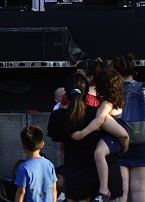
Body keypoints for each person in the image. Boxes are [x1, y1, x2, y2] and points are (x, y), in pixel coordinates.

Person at [47, 74, 124, 202]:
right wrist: (123, 148)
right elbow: (123, 134)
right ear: (86, 92)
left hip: (75, 170)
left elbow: (59, 141)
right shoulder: (97, 113)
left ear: (66, 93)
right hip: (104, 172)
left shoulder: (56, 116)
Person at [68, 68, 129, 202]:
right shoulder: (116, 101)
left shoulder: (106, 104)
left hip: (112, 136)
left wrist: (82, 133)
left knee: (99, 153)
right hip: (113, 136)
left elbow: (99, 120)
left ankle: (104, 189)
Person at [111, 54, 145, 202]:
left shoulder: (113, 89)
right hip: (143, 140)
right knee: (140, 190)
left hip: (119, 141)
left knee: (121, 191)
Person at [14, 126, 57, 202]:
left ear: (23, 146)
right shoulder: (49, 164)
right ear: (42, 144)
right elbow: (53, 189)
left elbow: (21, 192)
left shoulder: (23, 167)